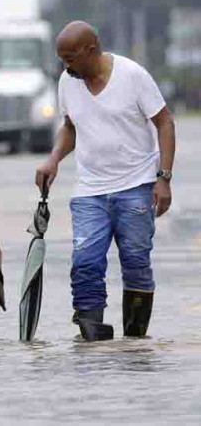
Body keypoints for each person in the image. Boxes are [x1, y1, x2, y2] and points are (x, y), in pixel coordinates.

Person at [35, 21, 176, 341]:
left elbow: (165, 122)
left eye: (71, 58)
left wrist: (163, 178)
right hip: (90, 190)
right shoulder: (67, 82)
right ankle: (91, 333)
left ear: (92, 49)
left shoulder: (133, 76)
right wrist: (53, 159)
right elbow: (69, 127)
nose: (66, 66)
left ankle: (135, 341)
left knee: (136, 262)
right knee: (85, 261)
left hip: (136, 186)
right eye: (62, 60)